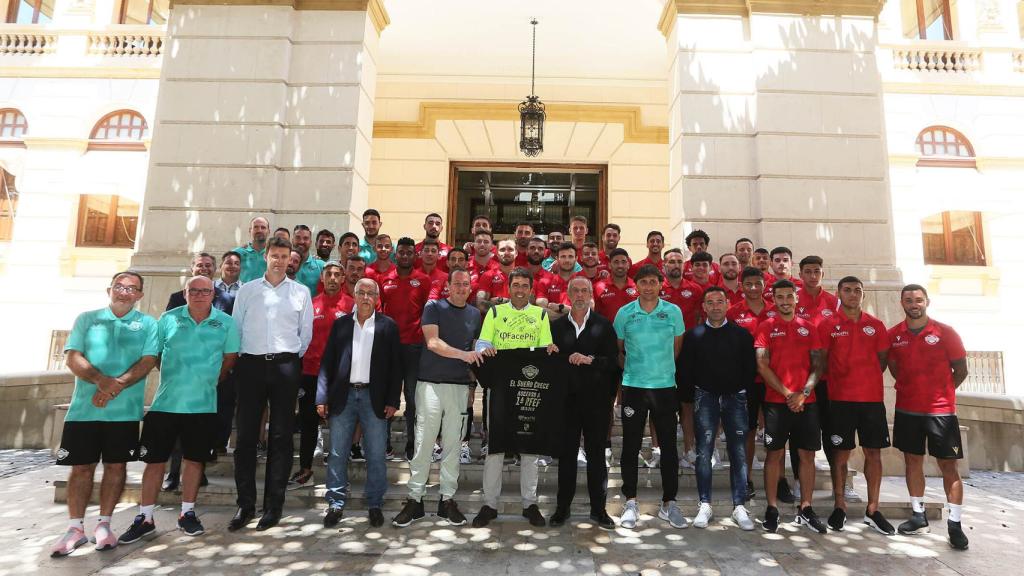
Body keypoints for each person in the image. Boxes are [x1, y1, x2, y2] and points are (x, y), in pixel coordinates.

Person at [118, 276, 239, 543]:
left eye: (205, 291)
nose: (199, 295)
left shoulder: (226, 323)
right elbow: (154, 354)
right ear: (185, 293)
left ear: (213, 294)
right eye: (193, 290)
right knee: (154, 462)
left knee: (194, 461)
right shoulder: (167, 319)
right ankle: (145, 517)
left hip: (203, 407)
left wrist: (208, 380)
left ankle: (187, 513)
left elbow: (230, 359)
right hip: (165, 404)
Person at [50, 272, 159, 557]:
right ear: (109, 289)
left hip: (123, 412)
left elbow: (148, 360)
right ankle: (75, 528)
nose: (125, 292)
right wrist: (101, 381)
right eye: (120, 286)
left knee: (116, 467)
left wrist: (115, 386)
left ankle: (104, 525)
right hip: (84, 410)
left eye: (131, 288)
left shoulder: (148, 324)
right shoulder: (87, 318)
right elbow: (73, 356)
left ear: (140, 295)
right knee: (81, 468)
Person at [229, 237, 313, 531]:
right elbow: (236, 328)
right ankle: (245, 505)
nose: (279, 261)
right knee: (247, 438)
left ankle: (273, 506)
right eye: (274, 255)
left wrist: (287, 357)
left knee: (281, 437)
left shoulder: (301, 292)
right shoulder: (248, 291)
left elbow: (306, 335)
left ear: (291, 259)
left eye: (284, 256)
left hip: (285, 366)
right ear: (266, 257)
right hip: (250, 365)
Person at [393, 269, 483, 528]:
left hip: (458, 387)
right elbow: (432, 343)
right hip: (430, 384)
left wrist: (482, 353)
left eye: (466, 284)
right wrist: (463, 355)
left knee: (453, 445)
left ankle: (447, 501)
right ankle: (415, 500)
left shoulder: (475, 314)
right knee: (423, 443)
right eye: (457, 284)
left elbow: (477, 346)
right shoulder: (434, 307)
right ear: (448, 286)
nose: (461, 288)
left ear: (470, 288)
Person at [888, 284, 969, 550]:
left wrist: (941, 392)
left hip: (941, 412)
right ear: (902, 303)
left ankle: (955, 523)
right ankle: (918, 514)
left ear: (927, 302)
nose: (914, 304)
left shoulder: (946, 333)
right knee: (912, 462)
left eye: (919, 300)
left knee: (949, 466)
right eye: (909, 300)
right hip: (908, 409)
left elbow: (960, 370)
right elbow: (895, 368)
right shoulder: (893, 335)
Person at [317, 278, 402, 528]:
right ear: (353, 295)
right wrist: (322, 396)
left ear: (377, 298)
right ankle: (335, 503)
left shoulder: (388, 327)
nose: (365, 297)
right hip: (343, 396)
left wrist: (393, 400)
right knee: (337, 453)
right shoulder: (341, 325)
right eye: (361, 292)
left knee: (376, 454)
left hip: (373, 397)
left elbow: (395, 368)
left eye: (370, 293)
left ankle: (374, 503)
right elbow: (327, 363)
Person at [472, 268, 553, 529]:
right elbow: (481, 345)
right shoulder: (495, 313)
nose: (519, 290)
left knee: (529, 448)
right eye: (515, 285)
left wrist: (551, 351)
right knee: (495, 449)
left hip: (529, 388)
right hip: (499, 389)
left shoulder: (540, 314)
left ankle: (530, 503)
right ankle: (489, 504)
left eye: (524, 286)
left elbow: (545, 350)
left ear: (531, 289)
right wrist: (487, 349)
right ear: (508, 288)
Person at [817, 276, 894, 534]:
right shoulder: (828, 324)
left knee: (874, 453)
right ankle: (840, 505)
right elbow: (822, 361)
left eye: (857, 291)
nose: (852, 294)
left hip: (871, 401)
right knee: (840, 454)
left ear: (863, 295)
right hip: (840, 400)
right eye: (847, 290)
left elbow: (882, 360)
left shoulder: (876, 325)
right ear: (838, 294)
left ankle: (873, 509)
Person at [614, 264, 687, 529]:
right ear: (636, 285)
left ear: (660, 284)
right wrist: (636, 371)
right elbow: (619, 351)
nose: (647, 286)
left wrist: (660, 370)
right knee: (631, 446)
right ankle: (630, 501)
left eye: (652, 281)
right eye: (642, 282)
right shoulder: (625, 314)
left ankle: (669, 503)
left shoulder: (673, 312)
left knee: (668, 446)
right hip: (634, 387)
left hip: (665, 387)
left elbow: (676, 348)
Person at [678, 286, 757, 531]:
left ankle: (739, 506)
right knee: (704, 451)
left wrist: (741, 393)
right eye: (710, 302)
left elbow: (749, 370)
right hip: (705, 398)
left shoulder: (741, 335)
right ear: (703, 306)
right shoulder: (693, 335)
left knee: (739, 453)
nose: (715, 306)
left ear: (727, 304)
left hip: (736, 399)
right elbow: (686, 370)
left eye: (719, 301)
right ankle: (705, 504)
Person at [754, 279, 827, 534]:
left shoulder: (809, 328)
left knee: (806, 455)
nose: (785, 301)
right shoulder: (766, 327)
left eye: (789, 297)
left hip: (807, 402)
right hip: (776, 402)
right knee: (774, 455)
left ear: (796, 299)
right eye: (780, 297)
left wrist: (804, 393)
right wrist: (788, 394)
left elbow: (818, 365)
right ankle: (772, 508)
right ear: (773, 300)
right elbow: (762, 365)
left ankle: (806, 508)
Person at [548, 277, 618, 530]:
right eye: (575, 290)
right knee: (566, 457)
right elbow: (550, 364)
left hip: (596, 403)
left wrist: (590, 360)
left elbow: (613, 363)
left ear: (591, 295)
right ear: (567, 294)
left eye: (584, 291)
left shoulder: (604, 325)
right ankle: (561, 509)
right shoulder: (555, 327)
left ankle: (599, 510)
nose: (579, 295)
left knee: (597, 457)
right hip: (566, 403)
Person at [162, 252, 231, 491]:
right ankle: (173, 474)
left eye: (208, 266)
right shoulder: (176, 299)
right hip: (178, 379)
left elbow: (229, 343)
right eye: (199, 265)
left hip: (210, 379)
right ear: (192, 268)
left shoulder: (227, 299)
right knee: (176, 430)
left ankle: (197, 471)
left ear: (215, 271)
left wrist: (219, 375)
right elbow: (164, 340)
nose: (204, 268)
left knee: (204, 428)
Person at [291, 261, 349, 488]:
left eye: (337, 274)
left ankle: (338, 473)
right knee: (308, 424)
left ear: (343, 278)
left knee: (339, 425)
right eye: (329, 274)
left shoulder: (352, 305)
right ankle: (306, 470)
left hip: (340, 377)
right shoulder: (310, 304)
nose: (333, 278)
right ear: (322, 278)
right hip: (310, 373)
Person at [727, 267, 779, 501]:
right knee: (747, 431)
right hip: (745, 380)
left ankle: (781, 480)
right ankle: (745, 478)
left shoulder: (775, 311)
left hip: (773, 380)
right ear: (741, 285)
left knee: (776, 431)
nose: (754, 288)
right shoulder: (733, 313)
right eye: (749, 284)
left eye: (758, 283)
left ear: (764, 285)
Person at [379, 237, 432, 460]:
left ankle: (412, 443)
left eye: (409, 253)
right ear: (395, 254)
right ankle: (384, 444)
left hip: (414, 347)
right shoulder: (384, 280)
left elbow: (427, 312)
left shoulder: (423, 280)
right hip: (390, 349)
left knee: (412, 398)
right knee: (387, 398)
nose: (405, 256)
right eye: (401, 252)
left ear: (415, 255)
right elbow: (379, 311)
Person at [536, 242, 576, 318]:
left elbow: (587, 310)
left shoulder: (583, 281)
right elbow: (542, 310)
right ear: (557, 259)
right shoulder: (544, 281)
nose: (567, 260)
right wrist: (571, 314)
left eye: (570, 256)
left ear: (576, 258)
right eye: (563, 256)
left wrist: (560, 307)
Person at [476, 238, 517, 310]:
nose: (506, 253)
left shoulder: (524, 276)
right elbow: (480, 304)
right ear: (497, 254)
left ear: (516, 253)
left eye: (510, 249)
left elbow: (529, 304)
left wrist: (499, 300)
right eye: (502, 250)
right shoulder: (487, 275)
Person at [292, 224, 325, 297]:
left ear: (310, 242)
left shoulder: (321, 266)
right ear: (292, 240)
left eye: (305, 238)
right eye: (298, 237)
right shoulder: (284, 264)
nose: (301, 241)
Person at [235, 216, 270, 283]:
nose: (259, 230)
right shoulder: (237, 253)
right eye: (256, 227)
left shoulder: (273, 254)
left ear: (268, 231)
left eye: (263, 227)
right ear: (250, 230)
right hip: (245, 292)